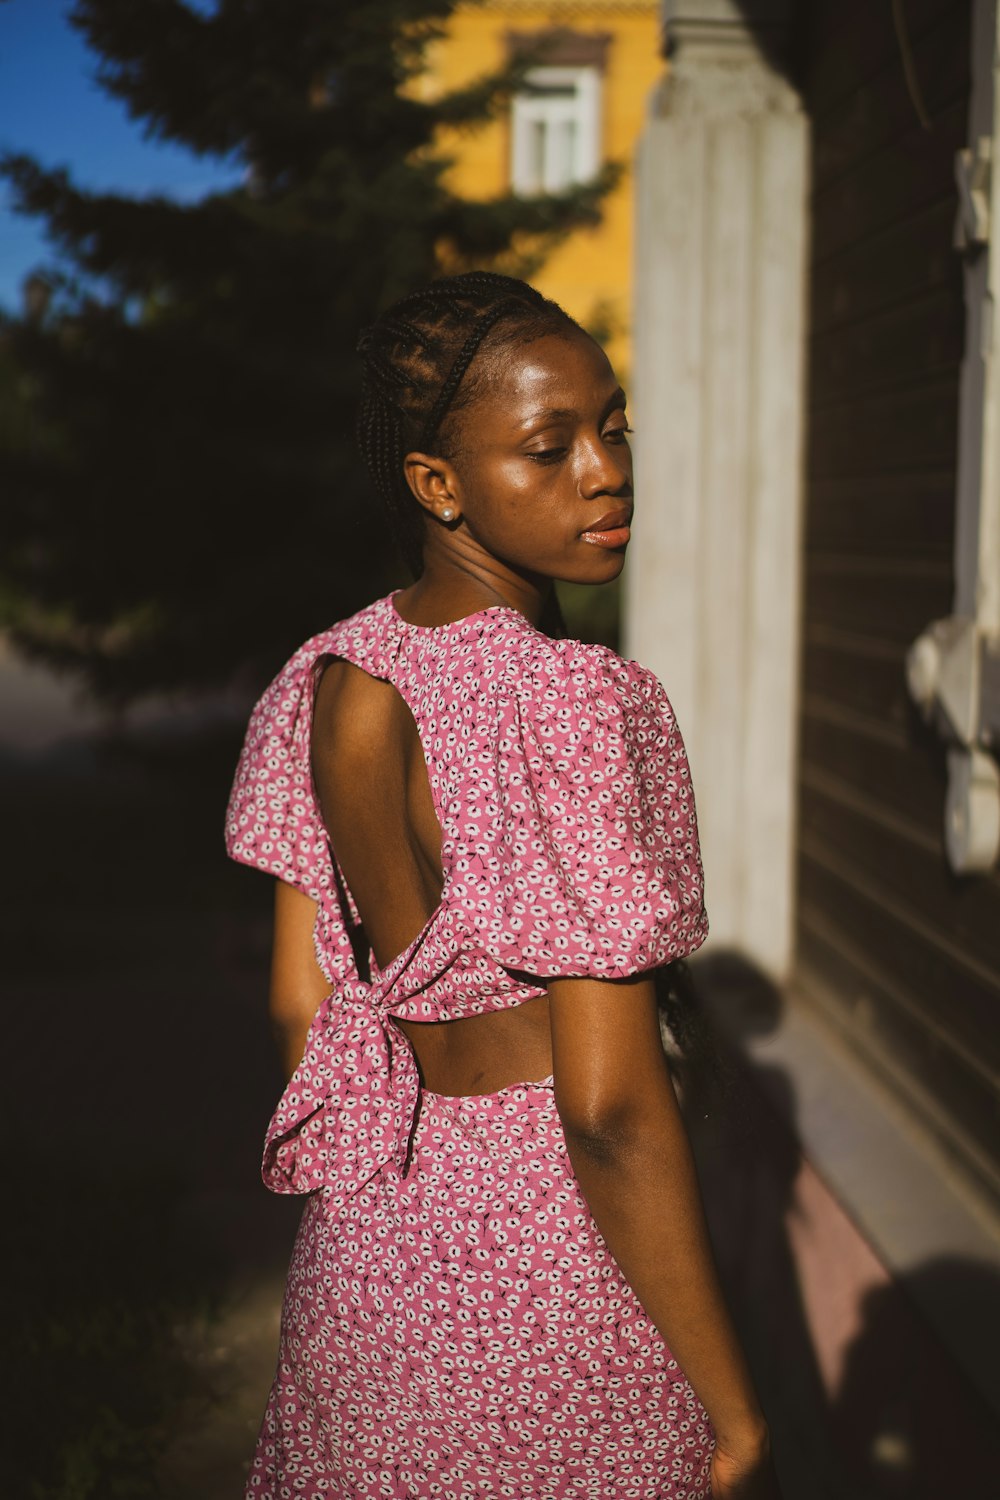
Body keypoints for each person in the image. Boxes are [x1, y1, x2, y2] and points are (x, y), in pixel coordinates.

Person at [225, 271, 779, 1499]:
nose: (604, 470)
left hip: (368, 1252)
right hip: (554, 1268)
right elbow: (609, 1109)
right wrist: (737, 1417)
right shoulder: (573, 703)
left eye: (614, 424)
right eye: (549, 447)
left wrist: (406, 1183)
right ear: (437, 485)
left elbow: (296, 1006)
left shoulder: (318, 682)